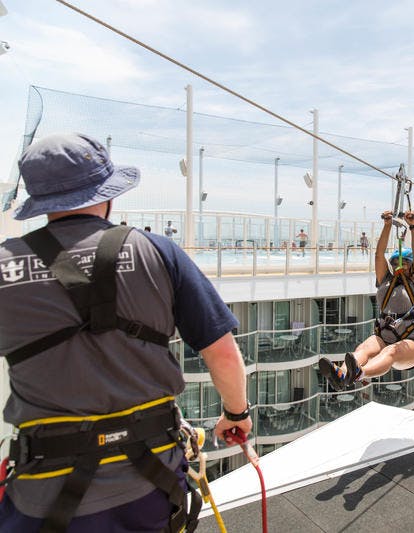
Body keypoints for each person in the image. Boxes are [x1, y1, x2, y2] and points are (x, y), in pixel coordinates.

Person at [0, 133, 251, 532]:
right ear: (107, 195)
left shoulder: (4, 268)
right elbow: (221, 352)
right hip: (150, 486)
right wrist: (236, 413)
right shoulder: (158, 252)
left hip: (41, 495)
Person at [318, 210, 414, 390]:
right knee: (363, 349)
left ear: (412, 268)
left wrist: (413, 226)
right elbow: (379, 255)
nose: (399, 267)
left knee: (391, 351)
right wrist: (387, 226)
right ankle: (342, 375)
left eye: (404, 263)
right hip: (384, 336)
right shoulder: (385, 282)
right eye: (395, 264)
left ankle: (361, 373)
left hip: (413, 342)